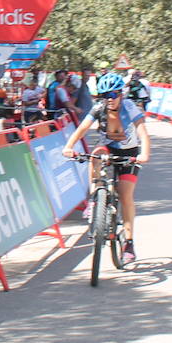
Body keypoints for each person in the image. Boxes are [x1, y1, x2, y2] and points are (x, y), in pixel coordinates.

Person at [61, 72, 152, 263]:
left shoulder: (130, 107)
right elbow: (82, 129)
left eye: (112, 95)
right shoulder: (99, 107)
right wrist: (68, 147)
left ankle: (128, 243)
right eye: (105, 95)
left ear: (120, 94)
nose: (109, 99)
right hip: (108, 148)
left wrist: (144, 154)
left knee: (125, 195)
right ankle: (94, 199)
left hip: (129, 152)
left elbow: (143, 134)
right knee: (96, 155)